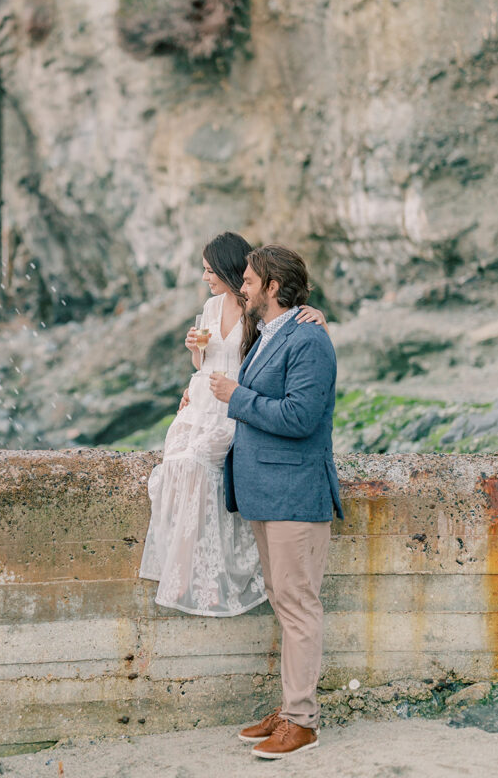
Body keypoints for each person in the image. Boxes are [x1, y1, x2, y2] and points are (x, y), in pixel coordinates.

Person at [139, 232, 326, 617]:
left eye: (210, 270)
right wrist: (196, 351)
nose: (206, 277)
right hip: (202, 395)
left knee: (202, 465)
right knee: (176, 467)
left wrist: (319, 316)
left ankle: (216, 576)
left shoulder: (258, 308)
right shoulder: (210, 307)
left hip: (234, 400)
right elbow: (204, 364)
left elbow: (282, 338)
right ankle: (186, 570)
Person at [209, 244, 343, 760]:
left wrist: (235, 398)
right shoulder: (269, 334)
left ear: (272, 286)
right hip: (268, 494)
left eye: (247, 280)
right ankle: (290, 709)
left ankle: (303, 720)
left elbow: (300, 417)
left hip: (294, 495)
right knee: (285, 602)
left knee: (298, 605)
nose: (239, 288)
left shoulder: (309, 340)